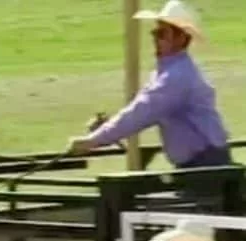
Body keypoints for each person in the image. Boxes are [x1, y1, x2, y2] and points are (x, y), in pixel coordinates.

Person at [68, 0, 231, 171]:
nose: (154, 37)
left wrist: (94, 140)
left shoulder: (176, 76)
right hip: (199, 165)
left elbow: (142, 111)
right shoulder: (169, 72)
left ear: (181, 38)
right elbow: (140, 109)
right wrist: (105, 131)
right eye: (155, 32)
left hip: (205, 167)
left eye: (162, 33)